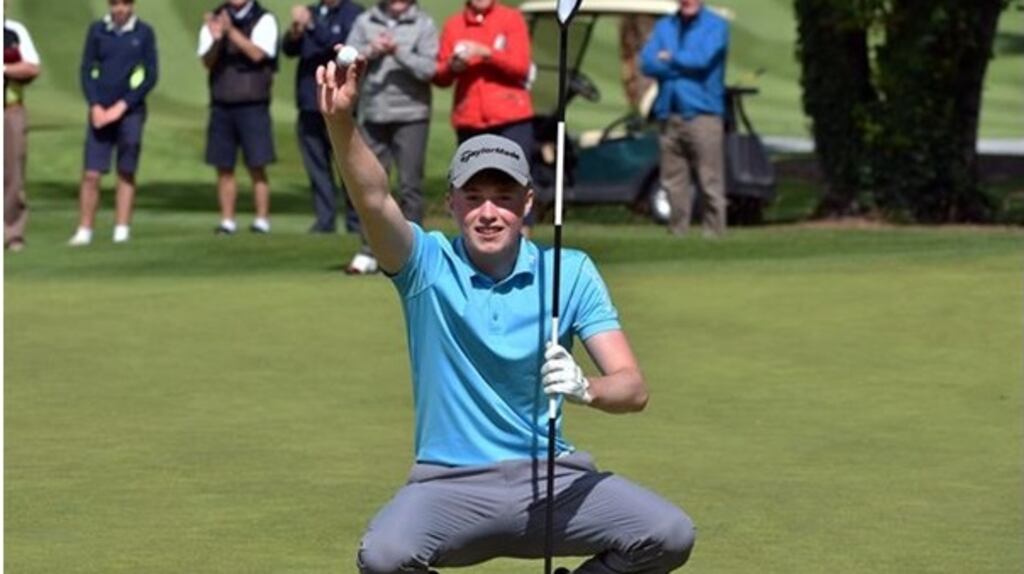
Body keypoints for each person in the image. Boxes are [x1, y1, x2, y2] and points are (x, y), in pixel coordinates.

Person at [317, 57, 696, 574]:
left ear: (528, 204)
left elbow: (632, 389)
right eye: (473, 197)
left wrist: (584, 386)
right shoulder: (424, 264)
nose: (488, 212)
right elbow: (373, 195)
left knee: (668, 534)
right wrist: (341, 120)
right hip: (448, 486)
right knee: (384, 557)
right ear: (451, 204)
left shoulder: (571, 271)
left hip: (553, 478)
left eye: (504, 197)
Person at [342, 0, 437, 274]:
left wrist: (399, 52)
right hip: (373, 114)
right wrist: (372, 50)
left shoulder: (423, 24)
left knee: (410, 187)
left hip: (412, 115)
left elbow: (429, 69)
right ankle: (368, 250)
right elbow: (348, 59)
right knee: (370, 187)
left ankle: (413, 254)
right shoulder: (365, 22)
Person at [68, 0, 158, 246]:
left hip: (130, 111)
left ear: (132, 5)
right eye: (115, 4)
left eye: (125, 3)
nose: (120, 9)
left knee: (126, 171)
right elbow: (88, 69)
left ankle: (121, 229)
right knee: (92, 174)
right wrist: (95, 105)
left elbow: (150, 74)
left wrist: (122, 106)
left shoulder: (144, 33)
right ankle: (84, 230)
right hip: (100, 110)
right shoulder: (97, 31)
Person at [640, 0, 728, 238]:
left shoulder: (715, 25)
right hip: (670, 112)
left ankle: (715, 233)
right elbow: (647, 62)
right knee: (672, 180)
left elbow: (702, 60)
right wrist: (678, 62)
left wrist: (669, 58)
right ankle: (678, 231)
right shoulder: (665, 26)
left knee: (710, 179)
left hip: (704, 114)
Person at [198, 0, 279, 235]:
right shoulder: (215, 18)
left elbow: (257, 54)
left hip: (253, 102)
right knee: (223, 166)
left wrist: (230, 31)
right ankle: (227, 220)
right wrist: (216, 39)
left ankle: (262, 219)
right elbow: (207, 61)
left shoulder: (263, 18)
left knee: (257, 164)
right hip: (222, 102)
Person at [283, 0, 362, 234]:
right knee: (317, 167)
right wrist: (296, 31)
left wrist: (312, 25)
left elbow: (342, 47)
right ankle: (324, 220)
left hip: (339, 105)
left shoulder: (353, 13)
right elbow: (288, 49)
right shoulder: (314, 11)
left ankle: (355, 222)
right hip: (309, 102)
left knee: (347, 167)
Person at [433, 0, 533, 156]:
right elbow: (440, 77)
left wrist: (487, 53)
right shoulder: (454, 25)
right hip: (469, 120)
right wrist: (452, 67)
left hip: (511, 118)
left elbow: (521, 68)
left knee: (512, 179)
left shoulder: (511, 18)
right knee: (473, 179)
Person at [3, 14, 40, 252]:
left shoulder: (14, 31)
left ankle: (12, 233)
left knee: (13, 172)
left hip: (9, 109)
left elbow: (32, 67)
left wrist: (4, 67)